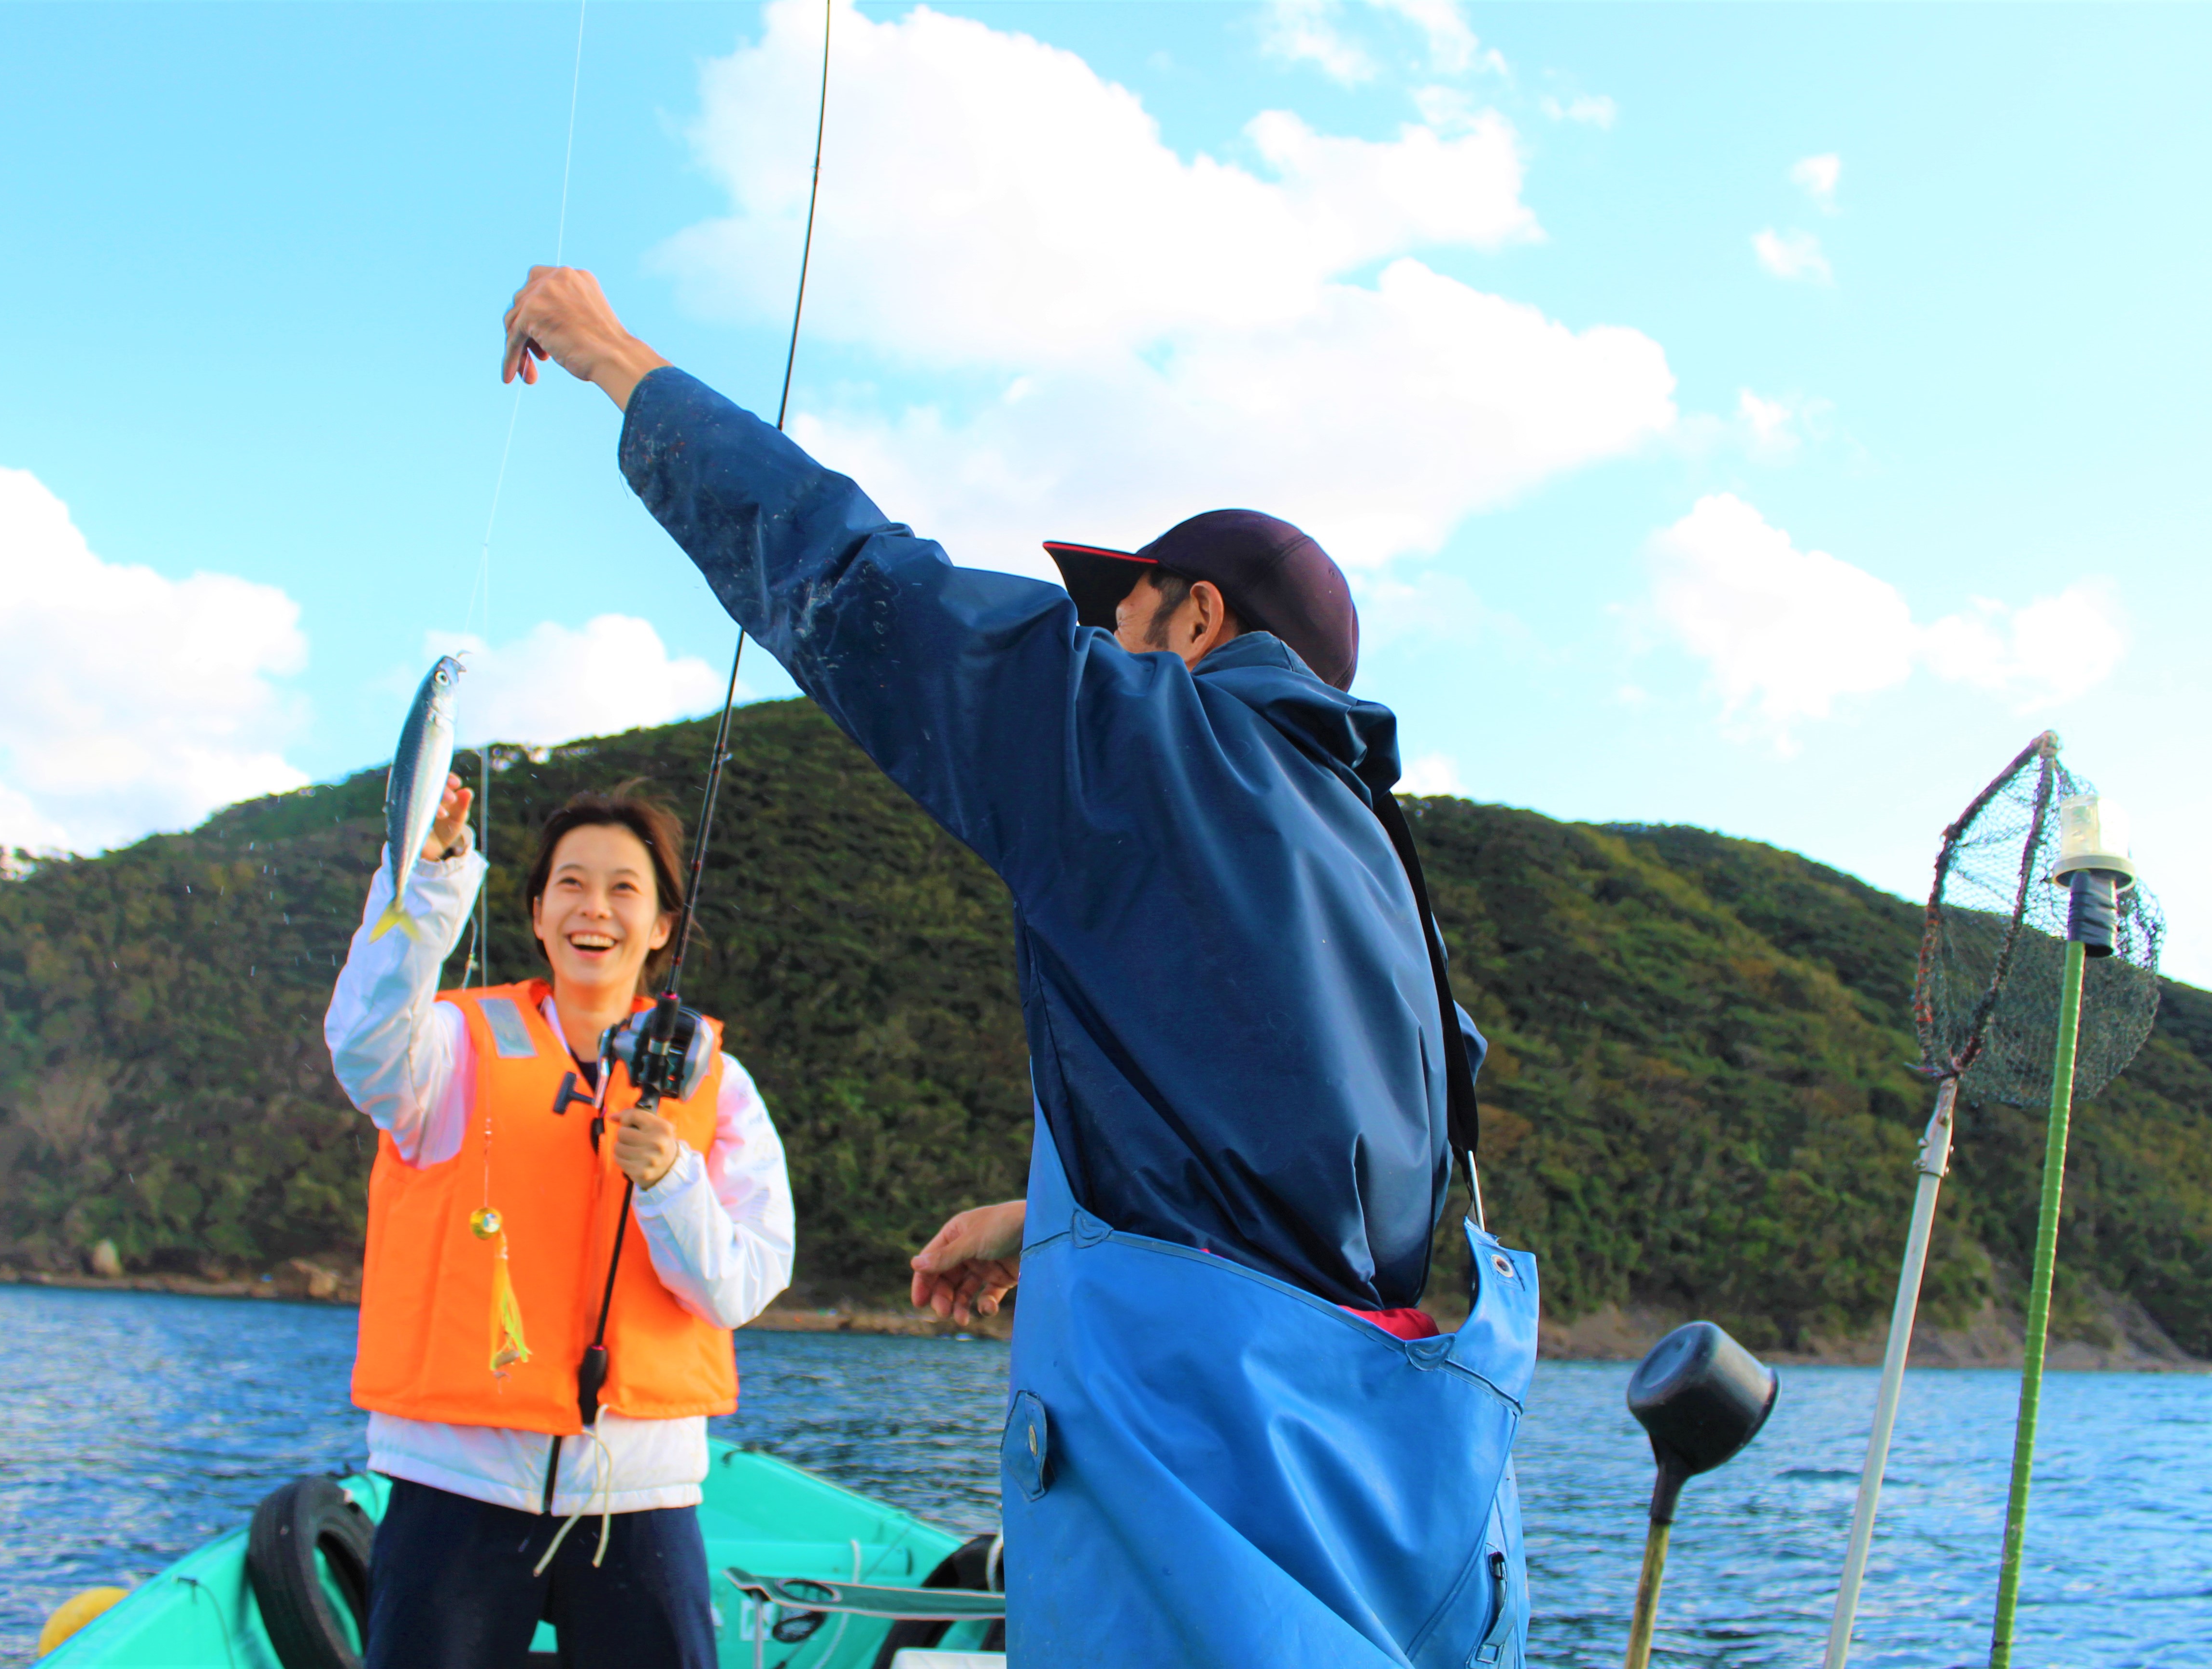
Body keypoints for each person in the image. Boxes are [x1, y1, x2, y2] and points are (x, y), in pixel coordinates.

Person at [498, 266, 1536, 1668]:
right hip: (1383, 1528)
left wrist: (614, 358)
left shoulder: (1152, 746)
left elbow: (854, 579)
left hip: (1202, 1527)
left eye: (1125, 603)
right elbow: (1292, 1205)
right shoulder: (1386, 885)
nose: (1103, 633)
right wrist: (1046, 1221)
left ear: (1200, 620)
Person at [325, 777, 794, 1669]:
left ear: (661, 928)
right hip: (455, 1482)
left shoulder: (717, 1087)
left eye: (626, 889)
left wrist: (670, 1183)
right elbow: (363, 1043)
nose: (596, 909)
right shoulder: (452, 1048)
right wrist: (427, 875)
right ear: (537, 913)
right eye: (571, 885)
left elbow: (743, 1285)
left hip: (639, 1494)